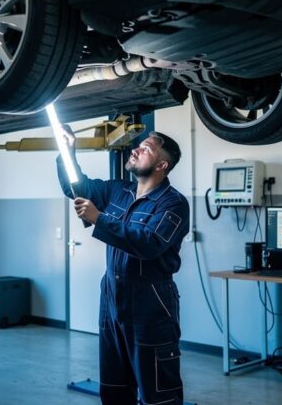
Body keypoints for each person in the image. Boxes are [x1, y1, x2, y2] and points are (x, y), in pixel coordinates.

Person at [56, 128, 190, 405]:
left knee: (158, 393)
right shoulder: (118, 190)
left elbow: (149, 244)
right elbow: (77, 187)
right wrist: (68, 153)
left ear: (162, 165)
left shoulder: (173, 204)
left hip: (151, 304)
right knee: (115, 388)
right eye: (139, 145)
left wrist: (99, 219)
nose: (137, 149)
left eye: (147, 148)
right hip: (112, 301)